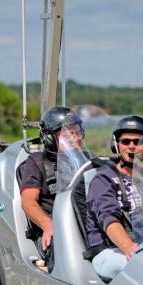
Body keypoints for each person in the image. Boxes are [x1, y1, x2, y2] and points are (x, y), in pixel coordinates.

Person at [84, 115, 143, 281]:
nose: (131, 146)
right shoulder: (103, 180)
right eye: (125, 141)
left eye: (137, 142)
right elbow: (108, 219)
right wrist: (129, 247)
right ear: (116, 144)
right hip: (109, 252)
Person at [20, 106, 85, 273]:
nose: (75, 138)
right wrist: (49, 226)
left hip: (86, 225)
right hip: (55, 228)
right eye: (68, 134)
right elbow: (28, 202)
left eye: (78, 133)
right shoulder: (36, 162)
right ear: (49, 138)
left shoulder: (90, 161)